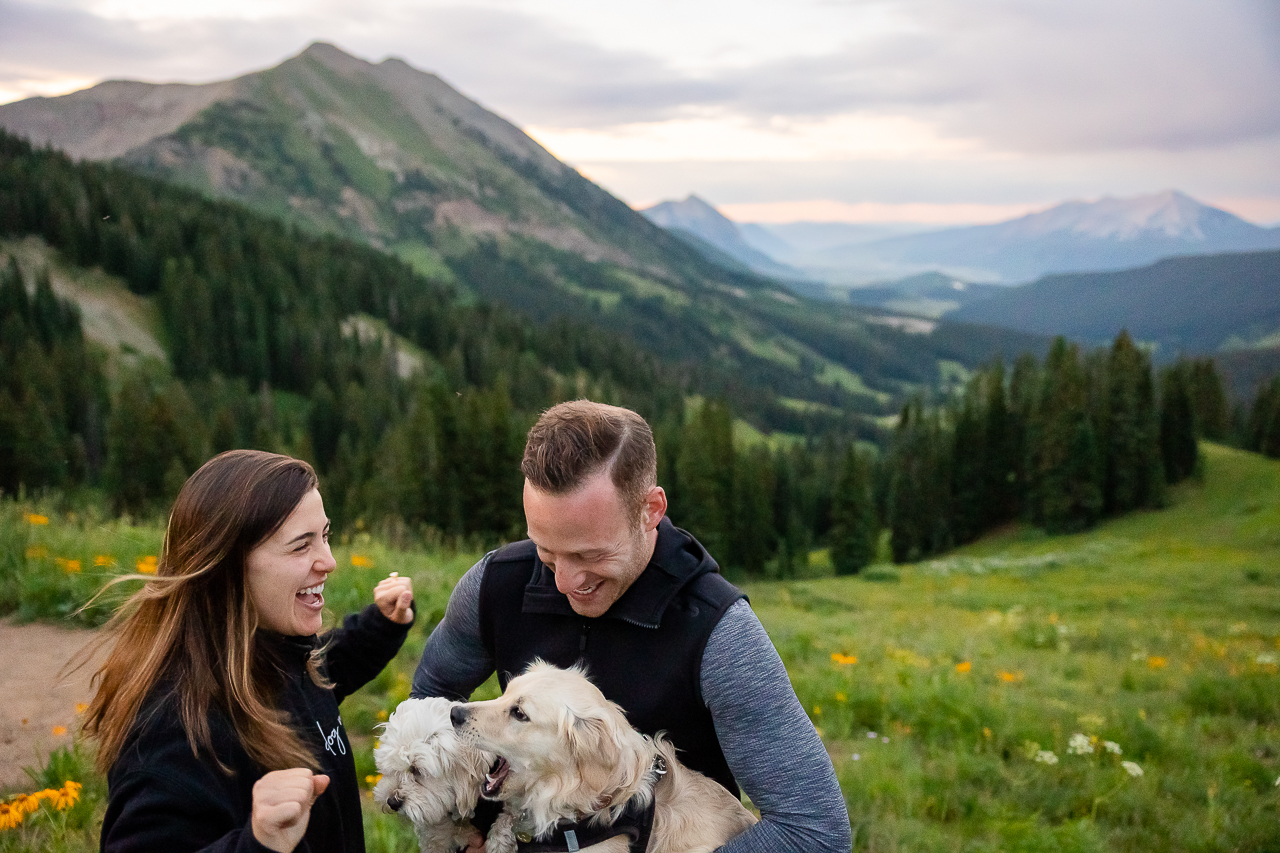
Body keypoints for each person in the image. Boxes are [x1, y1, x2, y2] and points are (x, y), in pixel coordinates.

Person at [412, 401, 851, 852]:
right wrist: (479, 826)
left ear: (650, 509)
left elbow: (815, 831)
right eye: (545, 550)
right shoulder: (493, 587)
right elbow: (426, 705)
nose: (564, 581)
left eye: (589, 555)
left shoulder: (719, 635)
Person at [84, 449, 416, 853]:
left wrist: (381, 626)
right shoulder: (178, 725)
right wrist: (258, 844)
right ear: (226, 565)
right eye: (300, 546)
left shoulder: (280, 655)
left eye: (325, 536)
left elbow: (323, 674)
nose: (328, 561)